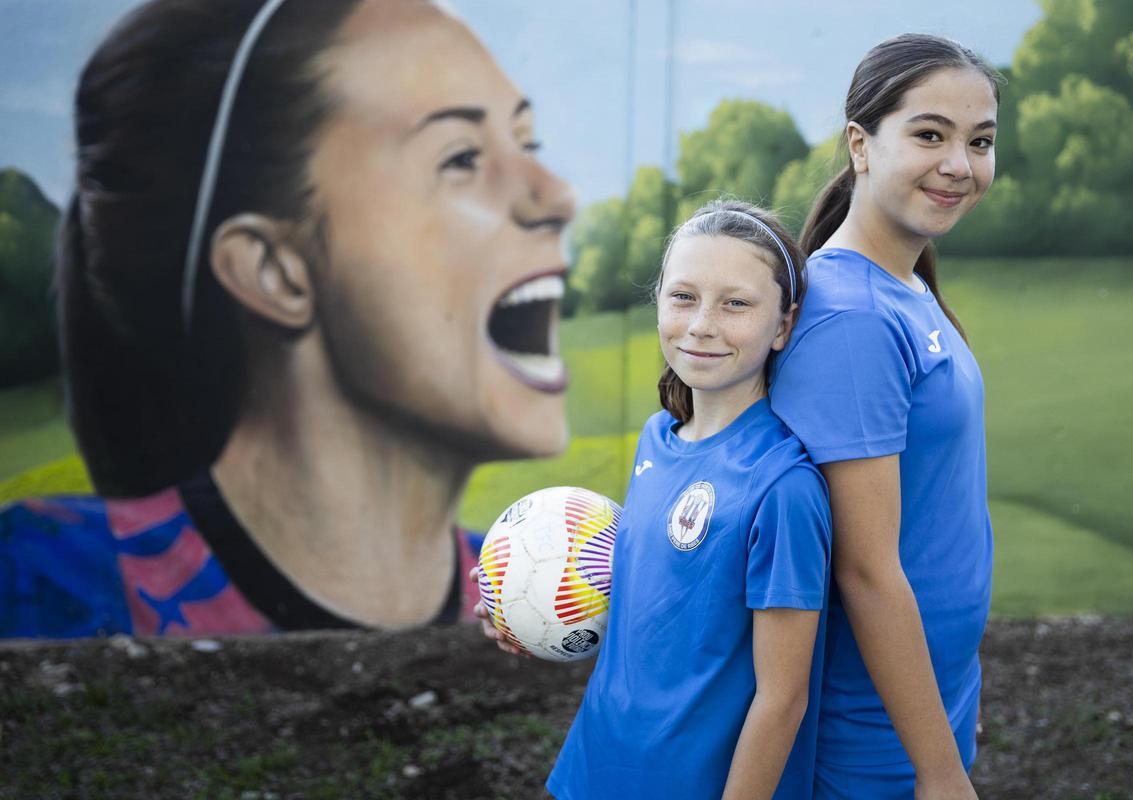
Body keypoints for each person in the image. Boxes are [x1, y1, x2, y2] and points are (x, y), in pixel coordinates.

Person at [0, 0, 575, 638]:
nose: (557, 195)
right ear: (273, 270)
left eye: (529, 143)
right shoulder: (39, 586)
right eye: (461, 157)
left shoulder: (530, 603)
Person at [768, 33, 1001, 798]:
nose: (960, 165)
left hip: (925, 698)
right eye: (929, 135)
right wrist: (937, 771)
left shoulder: (904, 284)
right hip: (871, 730)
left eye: (980, 141)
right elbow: (866, 571)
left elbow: (937, 519)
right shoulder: (852, 319)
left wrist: (955, 694)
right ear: (861, 146)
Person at [544, 200, 832, 799]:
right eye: (682, 296)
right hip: (595, 769)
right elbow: (652, 613)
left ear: (783, 324)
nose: (702, 323)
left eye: (736, 303)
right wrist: (532, 614)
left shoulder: (783, 486)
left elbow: (783, 699)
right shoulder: (658, 439)